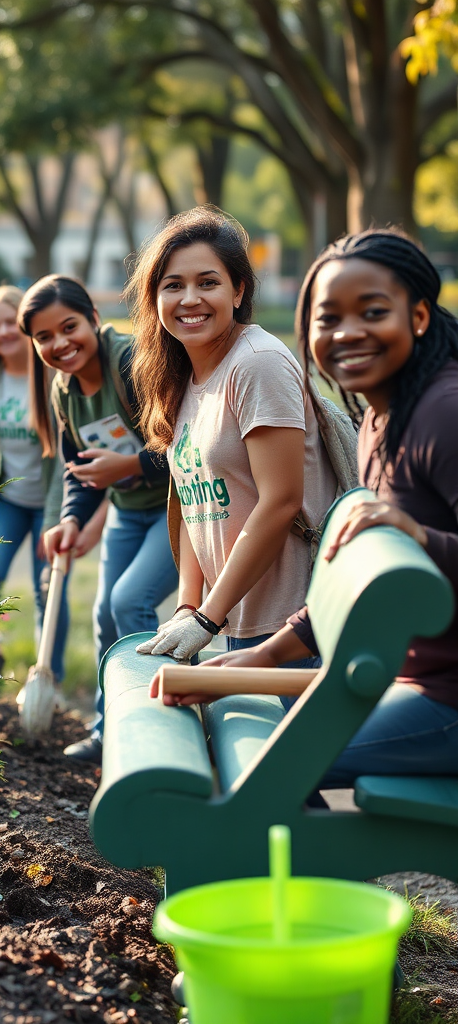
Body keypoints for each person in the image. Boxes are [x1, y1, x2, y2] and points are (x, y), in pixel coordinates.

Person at [173, 230, 458, 786]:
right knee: (241, 746)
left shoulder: (443, 413)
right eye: (328, 320)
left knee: (265, 768)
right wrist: (266, 656)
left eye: (373, 312)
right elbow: (347, 583)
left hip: (445, 699)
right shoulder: (381, 418)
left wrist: (418, 538)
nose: (348, 333)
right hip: (405, 677)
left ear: (419, 316)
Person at [127, 206, 336, 666]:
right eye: (173, 285)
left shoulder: (257, 364)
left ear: (238, 290)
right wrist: (188, 605)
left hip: (294, 624)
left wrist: (206, 618)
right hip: (234, 618)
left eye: (208, 282)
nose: (189, 299)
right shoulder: (183, 377)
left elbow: (281, 501)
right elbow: (196, 505)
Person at [33, 275, 177, 764]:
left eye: (68, 326)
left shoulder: (133, 363)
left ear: (93, 318)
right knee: (104, 615)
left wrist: (132, 466)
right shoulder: (64, 391)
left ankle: (154, 734)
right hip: (126, 512)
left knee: (130, 602)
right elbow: (78, 469)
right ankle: (108, 730)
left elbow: (188, 445)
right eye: (44, 337)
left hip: (177, 507)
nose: (60, 343)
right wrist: (71, 519)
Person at [0, 285, 70, 685]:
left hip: (49, 501)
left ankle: (50, 679)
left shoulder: (52, 377)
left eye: (10, 322)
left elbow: (65, 451)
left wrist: (56, 516)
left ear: (27, 324)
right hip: (8, 501)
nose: (3, 332)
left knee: (49, 588)